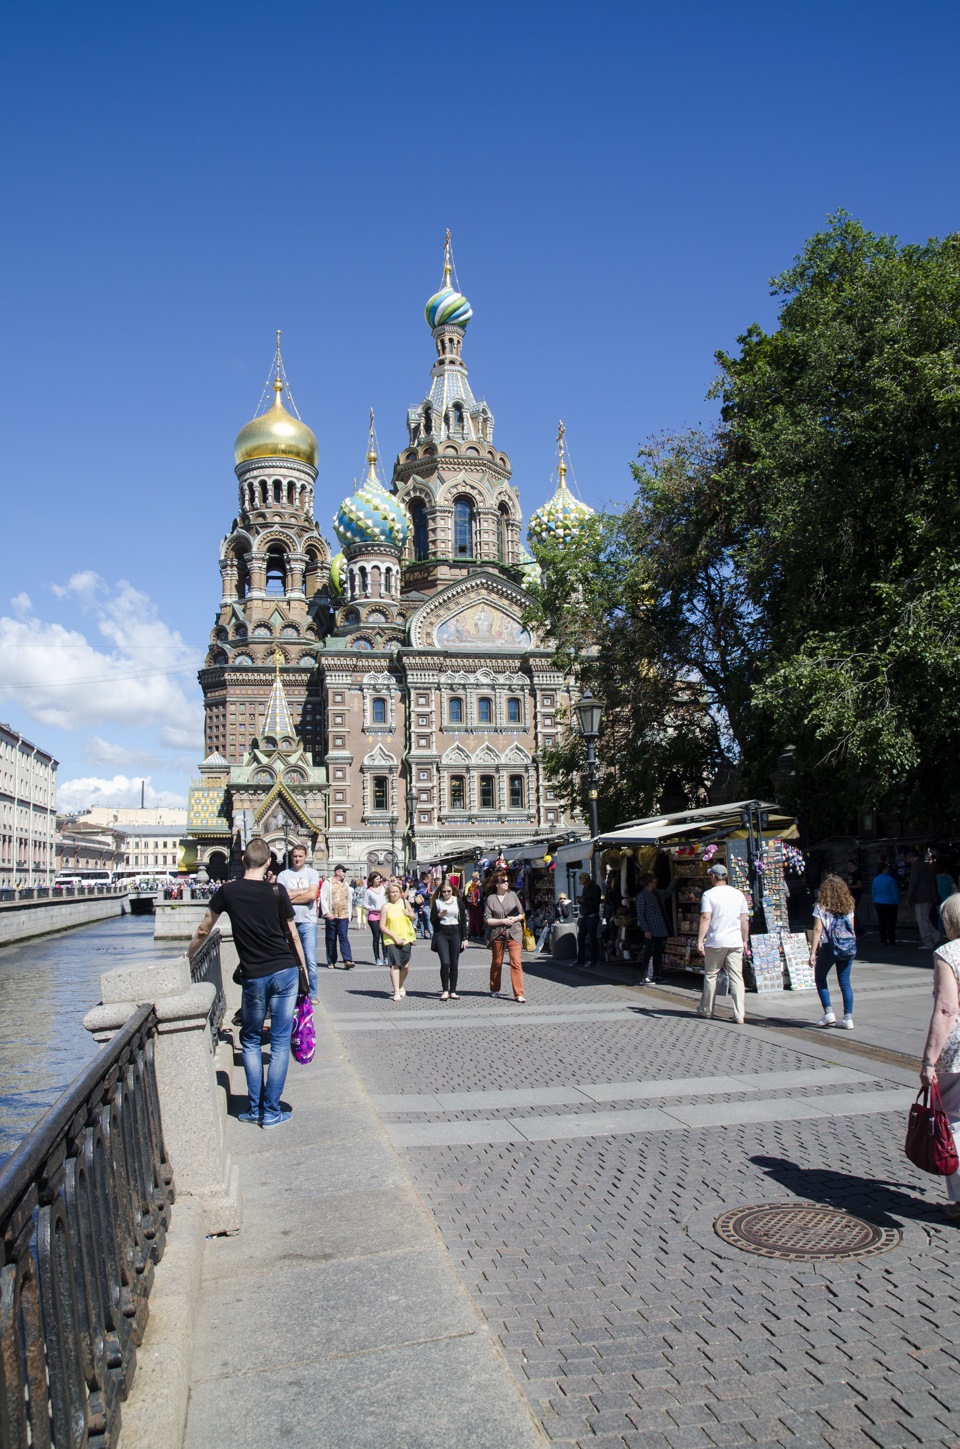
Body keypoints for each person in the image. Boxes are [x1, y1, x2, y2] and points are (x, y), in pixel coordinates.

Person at [187, 836, 306, 1129]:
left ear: (243, 860)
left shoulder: (228, 892)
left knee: (251, 1040)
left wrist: (187, 957)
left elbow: (204, 929)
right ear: (268, 862)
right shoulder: (277, 891)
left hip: (254, 975)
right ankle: (272, 1111)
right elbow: (293, 934)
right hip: (285, 972)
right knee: (278, 1041)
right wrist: (304, 971)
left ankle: (255, 1109)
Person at [920, 891, 960, 1218]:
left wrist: (929, 1060)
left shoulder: (949, 952)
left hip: (958, 1053)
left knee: (955, 1124)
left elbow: (946, 1010)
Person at [694, 862, 750, 1024]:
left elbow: (706, 917)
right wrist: (745, 940)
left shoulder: (709, 895)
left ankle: (707, 1010)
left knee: (711, 976)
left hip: (716, 942)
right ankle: (739, 1014)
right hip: (735, 941)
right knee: (737, 978)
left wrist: (700, 940)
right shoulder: (738, 894)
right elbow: (744, 919)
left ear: (713, 876)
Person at [809, 873, 857, 1029]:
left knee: (820, 978)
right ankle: (848, 1018)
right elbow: (852, 928)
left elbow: (817, 929)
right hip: (847, 947)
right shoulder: (849, 904)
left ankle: (829, 1013)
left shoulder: (821, 907)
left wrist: (812, 952)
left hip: (829, 947)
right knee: (845, 983)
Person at [276, 843, 320, 1001]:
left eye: (300, 856)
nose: (297, 859)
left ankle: (312, 992)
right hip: (289, 922)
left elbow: (312, 895)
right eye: (295, 856)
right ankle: (294, 992)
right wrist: (303, 891)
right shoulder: (283, 875)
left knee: (310, 959)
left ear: (305, 856)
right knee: (291, 959)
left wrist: (290, 896)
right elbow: (280, 897)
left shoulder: (312, 873)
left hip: (308, 922)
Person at [485, 870, 526, 1002]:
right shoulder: (491, 899)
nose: (506, 883)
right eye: (503, 881)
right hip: (498, 933)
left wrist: (514, 919)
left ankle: (519, 993)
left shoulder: (513, 895)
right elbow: (488, 919)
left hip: (514, 932)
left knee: (516, 962)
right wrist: (502, 921)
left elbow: (522, 914)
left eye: (507, 881)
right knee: (497, 962)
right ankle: (495, 988)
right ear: (497, 883)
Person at [635, 873, 680, 984]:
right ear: (649, 883)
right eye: (654, 881)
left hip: (659, 927)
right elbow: (640, 914)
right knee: (648, 952)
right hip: (651, 928)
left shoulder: (656, 893)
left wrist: (674, 880)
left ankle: (657, 974)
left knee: (658, 952)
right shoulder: (641, 896)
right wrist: (646, 929)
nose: (656, 883)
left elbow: (667, 893)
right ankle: (644, 975)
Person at [430, 879, 467, 999]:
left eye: (449, 891)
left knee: (454, 963)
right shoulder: (437, 902)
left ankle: (453, 991)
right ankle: (445, 990)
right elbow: (433, 921)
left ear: (453, 891)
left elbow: (463, 921)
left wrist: (465, 938)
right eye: (444, 891)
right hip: (442, 932)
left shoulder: (458, 902)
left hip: (455, 931)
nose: (446, 893)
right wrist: (439, 916)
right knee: (445, 962)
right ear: (440, 891)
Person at [381, 879, 416, 1000]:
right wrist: (394, 936)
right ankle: (396, 991)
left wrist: (409, 914)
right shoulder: (386, 907)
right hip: (391, 939)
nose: (395, 894)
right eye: (392, 892)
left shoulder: (405, 903)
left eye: (397, 891)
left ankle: (400, 985)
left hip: (406, 937)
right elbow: (382, 926)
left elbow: (413, 917)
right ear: (388, 894)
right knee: (395, 965)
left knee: (405, 966)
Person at [319, 863, 354, 969]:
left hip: (343, 915)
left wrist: (350, 913)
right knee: (331, 939)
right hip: (331, 915)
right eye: (344, 872)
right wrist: (327, 912)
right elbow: (323, 898)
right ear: (337, 872)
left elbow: (349, 899)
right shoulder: (327, 883)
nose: (345, 874)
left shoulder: (346, 884)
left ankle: (347, 960)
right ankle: (331, 960)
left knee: (343, 937)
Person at [907, 846, 940, 949]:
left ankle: (928, 941)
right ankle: (936, 936)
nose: (908, 861)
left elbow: (913, 883)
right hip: (930, 895)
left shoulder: (916, 867)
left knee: (922, 920)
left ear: (912, 857)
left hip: (920, 897)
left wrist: (909, 896)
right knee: (925, 918)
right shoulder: (927, 865)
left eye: (908, 858)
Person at [576, 871, 603, 967]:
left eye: (584, 882)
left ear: (588, 879)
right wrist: (581, 900)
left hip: (592, 916)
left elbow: (596, 903)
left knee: (592, 938)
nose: (583, 884)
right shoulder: (585, 888)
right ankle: (580, 959)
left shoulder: (595, 888)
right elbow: (586, 901)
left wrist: (584, 901)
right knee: (580, 938)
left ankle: (593, 960)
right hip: (585, 916)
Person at [871, 859, 901, 946]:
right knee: (891, 922)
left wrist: (874, 900)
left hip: (878, 901)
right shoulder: (890, 879)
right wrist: (898, 901)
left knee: (881, 921)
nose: (888, 869)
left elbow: (874, 892)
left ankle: (882, 940)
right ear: (884, 869)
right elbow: (895, 892)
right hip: (890, 902)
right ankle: (891, 939)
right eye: (887, 868)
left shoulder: (875, 880)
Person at [364, 871, 386, 964]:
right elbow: (365, 905)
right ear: (372, 880)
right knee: (376, 937)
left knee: (384, 937)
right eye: (377, 879)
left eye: (379, 878)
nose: (379, 880)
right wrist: (374, 908)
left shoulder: (384, 889)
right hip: (374, 916)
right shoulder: (368, 891)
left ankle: (386, 957)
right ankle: (377, 958)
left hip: (384, 915)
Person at [465, 872, 485, 938]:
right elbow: (482, 896)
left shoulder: (470, 887)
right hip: (479, 906)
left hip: (471, 906)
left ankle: (472, 932)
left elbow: (466, 895)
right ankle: (479, 933)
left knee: (472, 919)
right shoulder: (480, 888)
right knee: (479, 920)